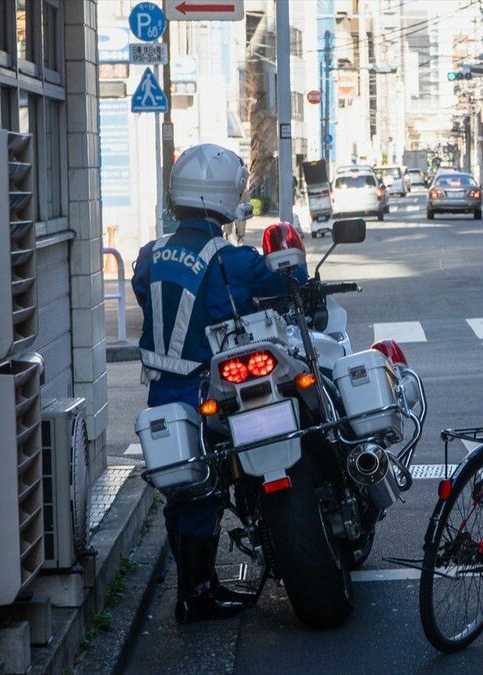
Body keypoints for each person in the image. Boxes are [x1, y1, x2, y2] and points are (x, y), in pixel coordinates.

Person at [132, 143, 306, 624]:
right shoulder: (231, 259)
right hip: (204, 388)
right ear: (226, 196)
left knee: (179, 484)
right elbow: (285, 282)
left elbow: (146, 295)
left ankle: (195, 587)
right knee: (206, 489)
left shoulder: (149, 255)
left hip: (160, 390)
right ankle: (197, 596)